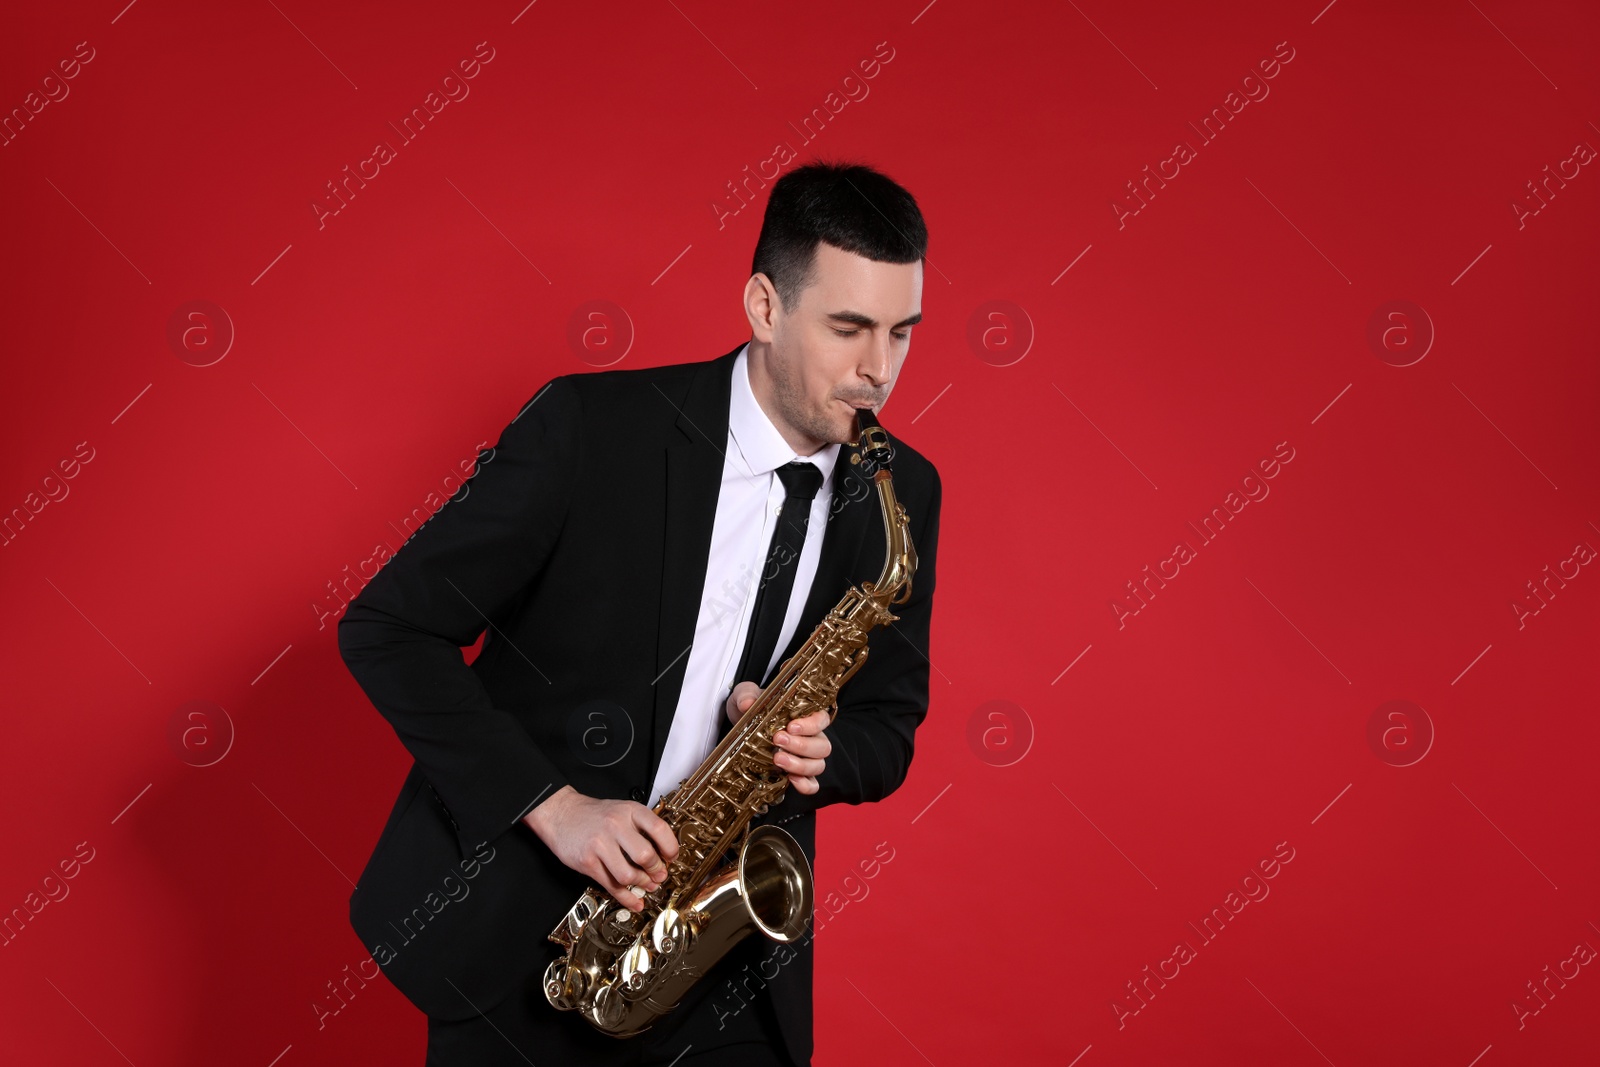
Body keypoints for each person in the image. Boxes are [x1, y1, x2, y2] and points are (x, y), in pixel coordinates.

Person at [337, 159, 942, 1066]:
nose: (878, 371)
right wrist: (553, 804)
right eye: (848, 328)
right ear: (765, 307)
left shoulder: (902, 492)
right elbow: (386, 627)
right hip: (526, 936)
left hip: (724, 970)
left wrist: (828, 751)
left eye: (902, 332)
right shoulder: (591, 428)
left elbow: (889, 723)